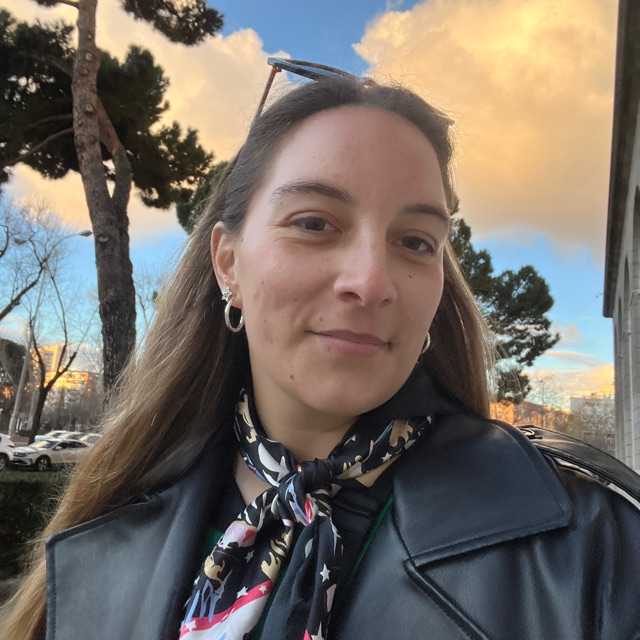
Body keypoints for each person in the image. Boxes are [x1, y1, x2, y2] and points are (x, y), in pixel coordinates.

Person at [3, 60, 639, 640]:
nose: (371, 281)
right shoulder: (109, 533)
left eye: (416, 241)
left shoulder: (592, 545)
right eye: (314, 223)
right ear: (228, 263)